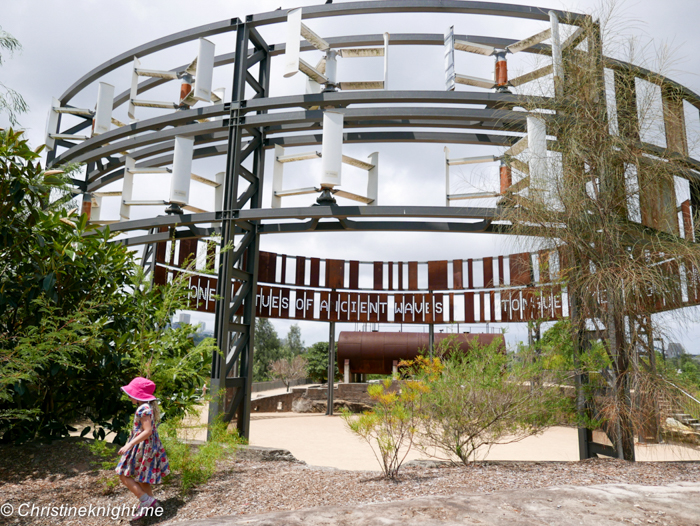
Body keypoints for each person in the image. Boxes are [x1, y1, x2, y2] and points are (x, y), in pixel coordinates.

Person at [115, 377, 170, 522]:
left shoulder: (143, 408)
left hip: (142, 446)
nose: (129, 396)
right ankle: (152, 504)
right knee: (142, 478)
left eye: (131, 393)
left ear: (139, 395)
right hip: (145, 446)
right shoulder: (146, 407)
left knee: (122, 473)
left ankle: (144, 499)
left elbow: (148, 431)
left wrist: (129, 444)